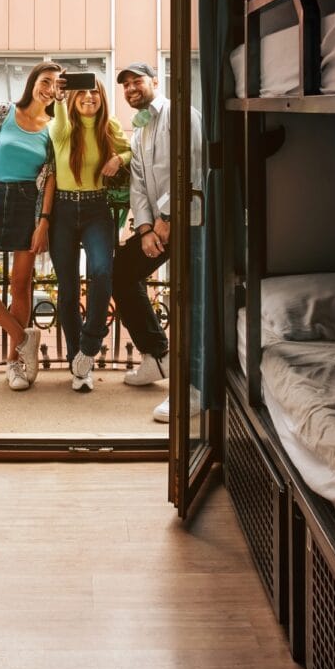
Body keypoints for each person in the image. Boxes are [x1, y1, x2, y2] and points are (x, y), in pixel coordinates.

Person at [112, 61, 202, 422]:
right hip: (160, 228)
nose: (132, 89)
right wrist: (147, 229)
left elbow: (194, 166)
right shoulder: (139, 132)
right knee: (121, 271)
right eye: (126, 85)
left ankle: (194, 389)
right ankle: (156, 356)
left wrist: (167, 219)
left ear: (154, 81)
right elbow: (138, 186)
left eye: (137, 82)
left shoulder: (181, 114)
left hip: (194, 222)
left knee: (193, 301)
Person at [0, 62, 61, 391]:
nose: (49, 88)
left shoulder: (54, 127)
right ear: (33, 81)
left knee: (20, 284)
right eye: (45, 80)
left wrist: (43, 222)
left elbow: (50, 178)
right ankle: (23, 337)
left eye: (56, 84)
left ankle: (15, 364)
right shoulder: (1, 111)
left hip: (28, 203)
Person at [48, 76, 131, 392]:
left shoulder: (109, 125)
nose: (88, 96)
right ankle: (78, 366)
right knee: (67, 288)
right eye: (81, 91)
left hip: (97, 208)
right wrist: (57, 97)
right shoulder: (63, 127)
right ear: (72, 97)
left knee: (100, 271)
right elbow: (56, 122)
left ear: (102, 96)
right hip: (63, 212)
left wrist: (117, 158)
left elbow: (130, 151)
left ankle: (89, 345)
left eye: (94, 91)